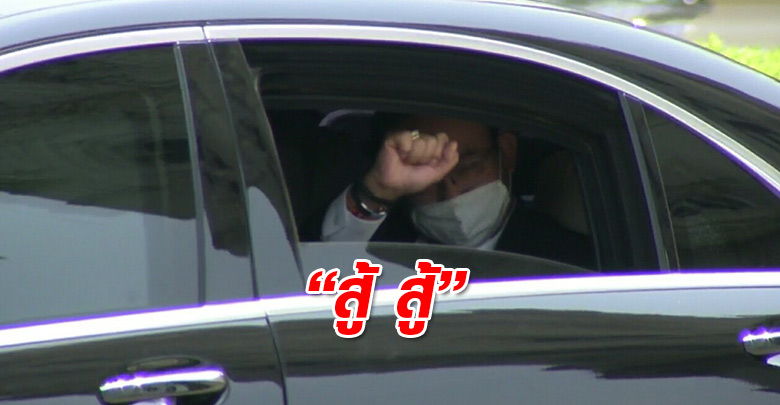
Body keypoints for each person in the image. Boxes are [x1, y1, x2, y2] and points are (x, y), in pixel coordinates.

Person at [320, 114, 594, 266]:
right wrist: (379, 189)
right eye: (426, 175)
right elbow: (317, 277)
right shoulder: (378, 244)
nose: (450, 194)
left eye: (468, 167)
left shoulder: (569, 263)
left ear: (507, 153)